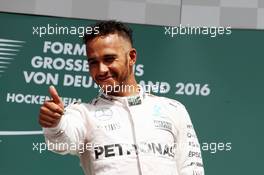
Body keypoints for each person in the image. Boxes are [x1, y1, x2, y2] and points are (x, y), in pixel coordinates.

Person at [39, 20, 204, 175]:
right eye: (93, 62)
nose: (101, 69)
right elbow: (62, 142)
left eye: (109, 59)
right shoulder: (82, 114)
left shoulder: (173, 109)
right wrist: (54, 124)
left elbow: (191, 168)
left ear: (131, 57)